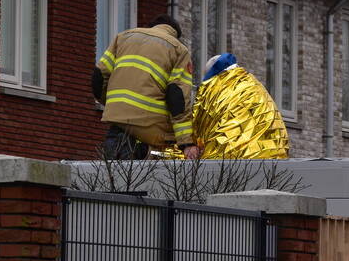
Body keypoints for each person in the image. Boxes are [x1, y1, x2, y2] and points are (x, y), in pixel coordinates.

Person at [92, 14, 199, 160]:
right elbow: (177, 97)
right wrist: (186, 143)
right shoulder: (178, 49)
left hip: (117, 127)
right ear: (175, 34)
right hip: (149, 132)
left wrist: (114, 105)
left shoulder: (122, 38)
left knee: (113, 179)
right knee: (141, 179)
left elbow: (98, 77)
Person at [161, 53, 289, 159]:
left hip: (228, 162)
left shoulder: (212, 89)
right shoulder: (254, 85)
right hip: (274, 159)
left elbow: (197, 128)